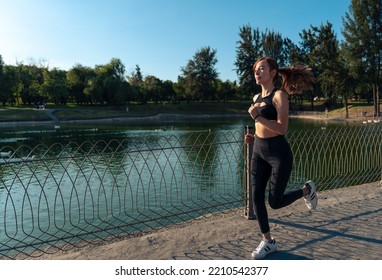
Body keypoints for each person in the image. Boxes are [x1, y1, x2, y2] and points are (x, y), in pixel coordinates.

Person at [245, 57, 318, 260]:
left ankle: (307, 190)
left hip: (279, 154)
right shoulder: (255, 97)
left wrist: (257, 118)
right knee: (256, 196)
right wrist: (254, 134)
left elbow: (282, 129)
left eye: (261, 69)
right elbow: (262, 126)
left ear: (273, 73)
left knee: (275, 202)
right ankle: (268, 241)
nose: (257, 73)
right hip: (259, 151)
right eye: (255, 70)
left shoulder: (280, 96)